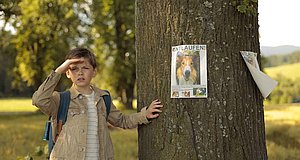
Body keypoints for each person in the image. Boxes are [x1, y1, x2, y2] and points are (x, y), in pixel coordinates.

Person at [32, 47, 163, 160]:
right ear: (67, 73)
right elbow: (39, 100)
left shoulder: (103, 98)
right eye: (74, 69)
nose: (80, 72)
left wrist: (144, 114)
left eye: (85, 68)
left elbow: (122, 121)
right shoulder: (60, 99)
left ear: (94, 71)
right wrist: (58, 70)